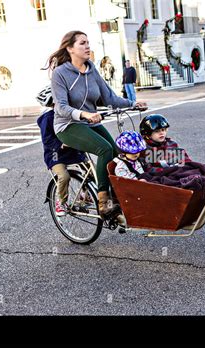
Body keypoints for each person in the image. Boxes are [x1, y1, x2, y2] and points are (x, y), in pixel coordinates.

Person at [44, 30, 147, 219]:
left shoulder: (91, 69)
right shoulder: (60, 73)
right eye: (82, 43)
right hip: (67, 125)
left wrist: (133, 104)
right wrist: (83, 114)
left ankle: (119, 196)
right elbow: (61, 108)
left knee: (117, 152)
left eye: (88, 42)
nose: (87, 46)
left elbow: (108, 98)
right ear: (70, 48)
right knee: (104, 149)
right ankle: (103, 201)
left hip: (89, 123)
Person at [139, 114, 205, 198]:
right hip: (168, 173)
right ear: (147, 134)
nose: (161, 133)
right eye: (157, 131)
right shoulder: (147, 149)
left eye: (163, 129)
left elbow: (185, 160)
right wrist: (169, 169)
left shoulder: (171, 143)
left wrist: (182, 164)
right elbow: (150, 169)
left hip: (179, 168)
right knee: (189, 179)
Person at [36, 85, 86, 216]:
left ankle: (86, 194)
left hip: (73, 149)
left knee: (90, 170)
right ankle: (61, 202)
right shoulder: (47, 118)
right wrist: (61, 144)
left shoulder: (67, 111)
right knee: (63, 176)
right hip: (55, 154)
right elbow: (47, 140)